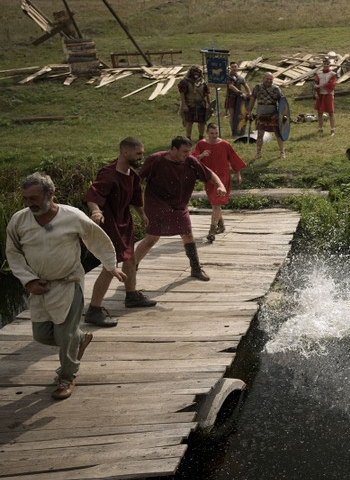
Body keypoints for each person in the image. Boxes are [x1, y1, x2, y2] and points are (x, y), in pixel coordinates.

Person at [5, 173, 126, 400]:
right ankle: (79, 339)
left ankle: (67, 377)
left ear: (50, 194)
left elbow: (95, 238)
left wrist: (111, 265)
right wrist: (28, 280)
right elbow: (13, 253)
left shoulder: (71, 216)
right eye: (26, 199)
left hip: (68, 283)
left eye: (34, 198)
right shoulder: (19, 220)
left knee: (66, 334)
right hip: (39, 285)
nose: (30, 203)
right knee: (42, 335)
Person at [84, 136, 155, 328]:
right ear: (125, 152)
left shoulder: (132, 175)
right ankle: (94, 310)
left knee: (130, 259)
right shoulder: (108, 174)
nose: (141, 157)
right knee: (110, 265)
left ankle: (131, 296)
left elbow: (135, 198)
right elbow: (93, 195)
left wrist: (142, 215)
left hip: (125, 221)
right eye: (138, 153)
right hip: (110, 223)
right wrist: (96, 211)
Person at [133, 136, 227, 282]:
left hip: (179, 204)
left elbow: (210, 174)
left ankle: (195, 268)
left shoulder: (191, 162)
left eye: (189, 151)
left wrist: (220, 185)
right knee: (152, 238)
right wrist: (134, 196)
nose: (187, 154)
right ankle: (132, 265)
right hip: (156, 203)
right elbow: (138, 179)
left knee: (187, 234)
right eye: (184, 151)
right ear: (173, 149)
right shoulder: (155, 160)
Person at [192, 122, 247, 243]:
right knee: (215, 204)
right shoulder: (201, 144)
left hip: (223, 177)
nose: (214, 135)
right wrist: (201, 155)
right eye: (211, 133)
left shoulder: (225, 144)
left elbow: (233, 159)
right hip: (209, 177)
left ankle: (212, 231)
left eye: (216, 133)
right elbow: (192, 159)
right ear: (207, 133)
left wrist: (238, 174)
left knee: (216, 204)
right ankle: (221, 225)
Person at [247, 72, 285, 159]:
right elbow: (253, 99)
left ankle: (282, 152)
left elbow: (282, 102)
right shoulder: (257, 87)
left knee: (278, 134)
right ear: (263, 79)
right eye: (267, 78)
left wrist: (281, 115)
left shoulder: (276, 89)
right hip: (261, 114)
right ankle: (258, 153)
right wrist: (249, 111)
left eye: (270, 79)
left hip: (273, 115)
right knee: (260, 134)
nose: (269, 80)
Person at [178, 65, 211, 142]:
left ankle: (201, 137)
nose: (196, 74)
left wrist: (209, 104)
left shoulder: (203, 82)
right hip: (190, 104)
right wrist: (184, 105)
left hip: (201, 105)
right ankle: (188, 138)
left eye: (198, 72)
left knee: (202, 122)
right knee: (189, 122)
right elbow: (182, 94)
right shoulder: (185, 82)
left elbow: (207, 93)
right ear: (190, 73)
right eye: (194, 72)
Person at [314, 59, 337, 136]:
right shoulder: (319, 73)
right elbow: (316, 82)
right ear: (322, 64)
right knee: (319, 112)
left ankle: (332, 129)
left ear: (329, 65)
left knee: (331, 112)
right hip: (320, 94)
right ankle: (320, 129)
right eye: (324, 64)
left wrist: (321, 86)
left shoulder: (332, 74)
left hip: (328, 94)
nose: (326, 65)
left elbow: (332, 84)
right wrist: (315, 91)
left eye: (327, 64)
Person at [225, 61, 250, 133]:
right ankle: (233, 131)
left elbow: (246, 85)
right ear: (230, 68)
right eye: (232, 67)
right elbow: (231, 86)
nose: (234, 68)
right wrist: (241, 93)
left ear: (237, 67)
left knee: (240, 115)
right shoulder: (228, 77)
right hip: (231, 98)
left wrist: (249, 93)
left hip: (239, 99)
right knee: (232, 116)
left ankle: (239, 130)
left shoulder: (240, 77)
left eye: (235, 67)